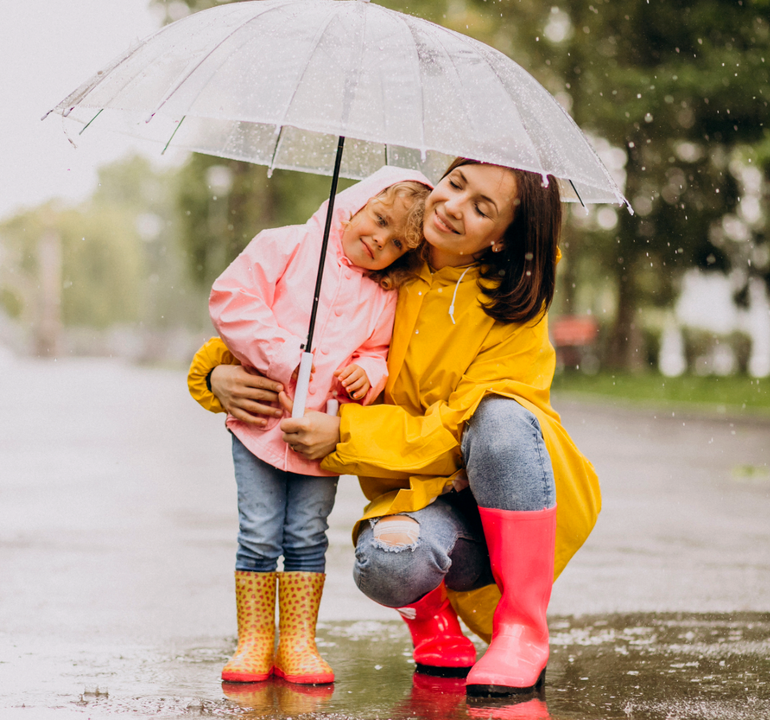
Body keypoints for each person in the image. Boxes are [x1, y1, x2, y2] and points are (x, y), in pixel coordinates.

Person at [190, 159, 600, 697]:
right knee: (388, 564)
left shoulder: (513, 305)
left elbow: (458, 430)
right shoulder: (388, 261)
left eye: (482, 208)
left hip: (496, 494)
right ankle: (430, 619)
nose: (453, 206)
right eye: (455, 184)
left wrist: (346, 431)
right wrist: (214, 375)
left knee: (500, 418)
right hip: (419, 497)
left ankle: (522, 631)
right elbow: (300, 326)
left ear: (503, 237)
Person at [201, 165, 432, 686]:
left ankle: (298, 642)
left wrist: (369, 373)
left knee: (307, 535)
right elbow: (232, 298)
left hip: (319, 436)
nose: (380, 240)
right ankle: (254, 640)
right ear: (356, 205)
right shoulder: (286, 246)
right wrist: (284, 355)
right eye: (379, 219)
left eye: (398, 242)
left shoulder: (383, 294)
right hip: (260, 424)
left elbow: (378, 350)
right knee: (258, 533)